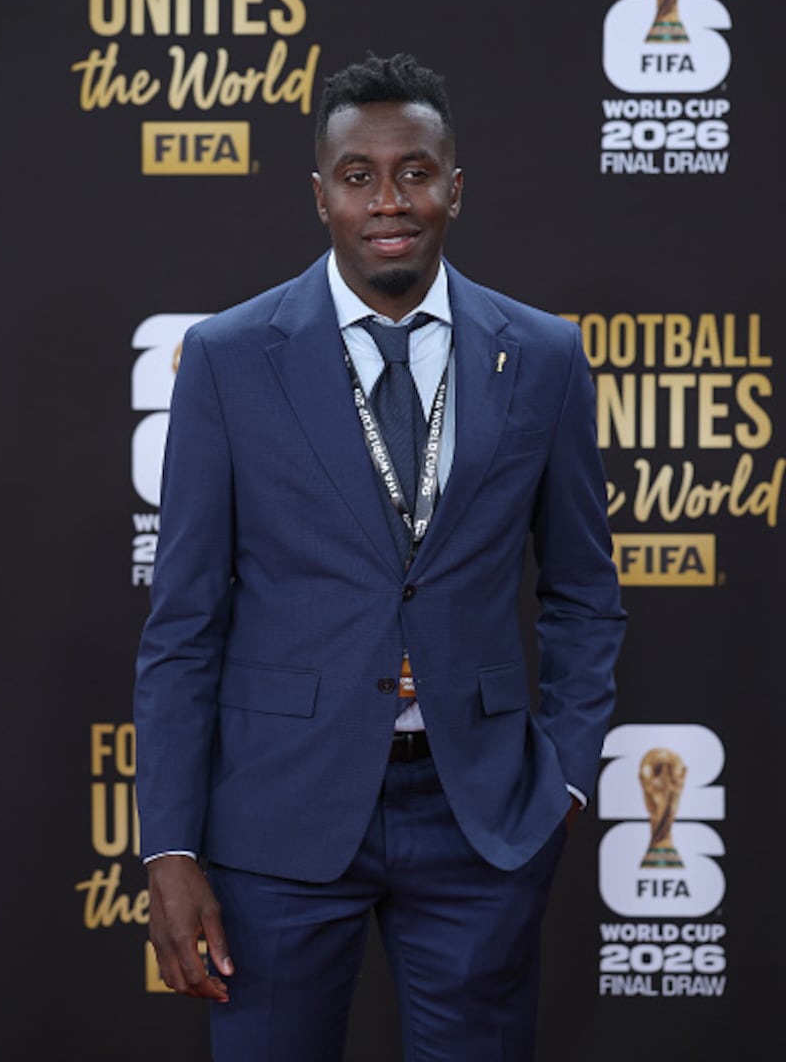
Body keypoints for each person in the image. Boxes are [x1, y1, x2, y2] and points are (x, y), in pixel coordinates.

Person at [134, 52, 626, 1062]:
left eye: (415, 172)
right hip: (278, 813)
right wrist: (170, 846)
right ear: (320, 195)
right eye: (358, 176)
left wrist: (566, 781)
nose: (388, 200)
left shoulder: (542, 356)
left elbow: (583, 591)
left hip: (480, 814)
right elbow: (183, 623)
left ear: (455, 188)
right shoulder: (229, 359)